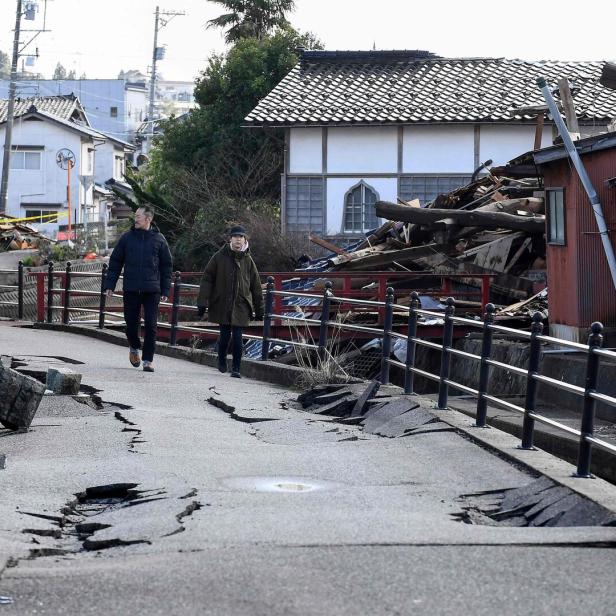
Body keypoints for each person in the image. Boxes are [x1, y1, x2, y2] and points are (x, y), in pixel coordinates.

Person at [104, 205, 173, 373]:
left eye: (139, 216)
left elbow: (166, 266)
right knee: (131, 324)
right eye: (135, 216)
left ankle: (148, 360)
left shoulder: (159, 239)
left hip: (152, 290)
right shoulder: (127, 238)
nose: (135, 219)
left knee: (151, 325)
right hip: (131, 288)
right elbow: (115, 263)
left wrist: (165, 290)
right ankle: (134, 347)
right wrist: (109, 285)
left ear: (148, 219)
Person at [197, 225, 263, 378]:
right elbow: (207, 279)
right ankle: (221, 361)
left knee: (239, 337)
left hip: (241, 304)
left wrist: (260, 310)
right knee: (225, 335)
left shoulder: (248, 260)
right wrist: (202, 302)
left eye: (241, 237)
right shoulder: (219, 257)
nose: (238, 240)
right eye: (235, 237)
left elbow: (256, 286)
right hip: (223, 302)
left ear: (244, 239)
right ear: (230, 239)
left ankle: (236, 368)